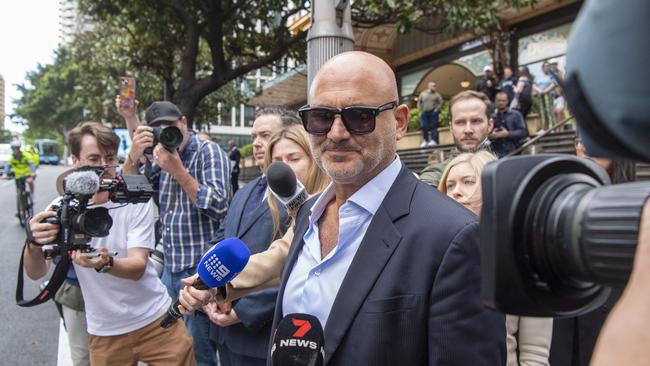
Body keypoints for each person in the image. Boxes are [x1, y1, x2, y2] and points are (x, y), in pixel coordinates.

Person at [281, 51, 503, 364]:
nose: (336, 133)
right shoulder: (307, 214)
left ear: (399, 122)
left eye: (360, 116)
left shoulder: (454, 236)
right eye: (321, 117)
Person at [24, 122, 195, 365]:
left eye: (110, 157)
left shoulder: (134, 198)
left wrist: (106, 263)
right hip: (105, 331)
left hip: (157, 319)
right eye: (94, 158)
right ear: (75, 160)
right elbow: (35, 272)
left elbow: (137, 267)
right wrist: (32, 242)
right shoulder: (61, 208)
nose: (104, 166)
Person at [119, 99, 231, 366]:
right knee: (177, 349)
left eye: (170, 126)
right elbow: (132, 192)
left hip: (200, 272)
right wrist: (134, 155)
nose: (166, 134)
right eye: (157, 129)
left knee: (200, 351)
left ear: (183, 123)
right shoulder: (159, 155)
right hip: (171, 268)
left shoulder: (208, 153)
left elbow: (219, 207)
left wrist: (178, 170)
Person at [202, 108, 300, 366]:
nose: (256, 143)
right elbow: (221, 240)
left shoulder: (303, 200)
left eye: (265, 135)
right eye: (254, 135)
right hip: (224, 331)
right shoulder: (244, 193)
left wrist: (242, 311)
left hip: (264, 334)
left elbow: (290, 265)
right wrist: (210, 289)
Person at [438, 151, 554, 366]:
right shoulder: (432, 252)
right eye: (450, 185)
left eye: (468, 182)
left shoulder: (525, 260)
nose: (456, 192)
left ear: (494, 188)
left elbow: (534, 355)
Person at [549, 137, 637, 366]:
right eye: (581, 138)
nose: (585, 145)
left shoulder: (640, 205)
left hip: (614, 324)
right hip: (562, 326)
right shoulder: (556, 196)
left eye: (594, 135)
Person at [419, 90, 493, 188]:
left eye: (476, 121)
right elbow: (428, 182)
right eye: (460, 122)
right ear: (451, 127)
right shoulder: (437, 174)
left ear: (489, 125)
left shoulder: (505, 171)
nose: (468, 130)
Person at [489, 91, 529, 158]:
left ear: (507, 101)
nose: (501, 103)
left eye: (503, 101)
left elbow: (523, 132)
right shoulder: (491, 117)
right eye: (499, 100)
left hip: (515, 152)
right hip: (496, 153)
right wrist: (491, 135)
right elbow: (486, 135)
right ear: (495, 101)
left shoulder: (516, 114)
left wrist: (508, 134)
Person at [417, 81, 443, 147]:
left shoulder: (437, 94)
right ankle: (425, 141)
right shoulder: (423, 93)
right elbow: (419, 102)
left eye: (435, 86)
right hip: (424, 112)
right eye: (433, 86)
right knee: (424, 126)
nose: (435, 87)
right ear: (429, 86)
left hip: (433, 113)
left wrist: (436, 110)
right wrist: (420, 110)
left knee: (434, 126)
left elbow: (441, 102)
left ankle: (433, 141)